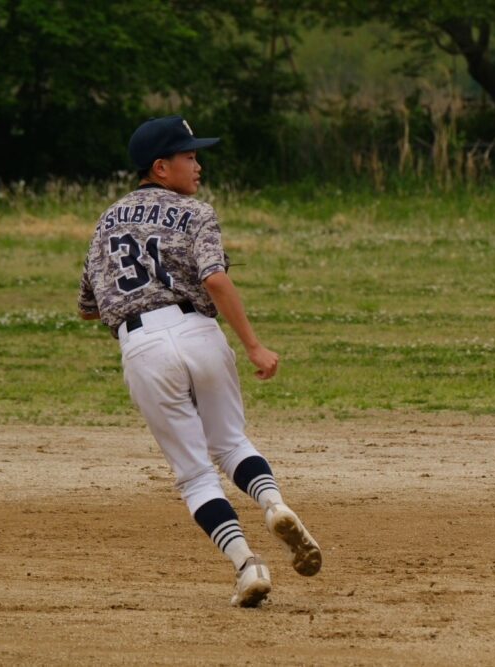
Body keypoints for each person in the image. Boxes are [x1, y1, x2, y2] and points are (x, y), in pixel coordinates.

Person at [77, 115, 321, 607]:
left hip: (142, 346)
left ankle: (247, 565)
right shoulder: (197, 214)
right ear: (160, 167)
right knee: (230, 442)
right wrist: (253, 345)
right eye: (189, 156)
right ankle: (273, 504)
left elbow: (88, 307)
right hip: (199, 332)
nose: (199, 165)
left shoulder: (105, 222)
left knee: (194, 474)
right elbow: (214, 279)